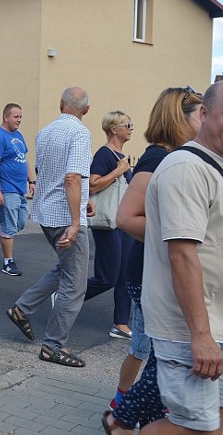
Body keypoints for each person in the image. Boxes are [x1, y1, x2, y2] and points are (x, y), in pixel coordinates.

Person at [140, 80, 223, 434]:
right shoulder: (186, 169)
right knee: (196, 427)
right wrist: (201, 335)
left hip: (220, 323)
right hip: (188, 328)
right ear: (204, 114)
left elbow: (220, 250)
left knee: (217, 413)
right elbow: (182, 256)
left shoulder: (216, 167)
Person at [102, 87, 202, 433]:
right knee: (155, 351)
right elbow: (127, 217)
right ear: (180, 118)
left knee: (156, 352)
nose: (205, 122)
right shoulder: (158, 157)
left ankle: (129, 411)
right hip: (148, 272)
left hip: (159, 270)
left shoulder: (181, 155)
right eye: (199, 115)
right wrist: (182, 234)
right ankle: (123, 412)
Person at [6, 87, 94, 367]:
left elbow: (49, 173)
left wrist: (85, 202)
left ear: (60, 105)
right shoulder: (80, 133)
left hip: (46, 212)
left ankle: (22, 308)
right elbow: (71, 178)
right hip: (67, 218)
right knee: (74, 282)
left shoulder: (45, 131)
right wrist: (77, 219)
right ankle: (53, 346)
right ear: (86, 110)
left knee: (64, 268)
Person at [85, 111, 134, 339]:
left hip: (123, 223)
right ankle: (67, 295)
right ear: (114, 129)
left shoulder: (120, 155)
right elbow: (92, 186)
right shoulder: (105, 155)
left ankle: (121, 323)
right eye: (127, 124)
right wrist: (118, 172)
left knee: (126, 274)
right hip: (107, 223)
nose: (131, 128)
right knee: (108, 276)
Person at [0, 103, 36, 277]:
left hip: (19, 189)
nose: (19, 120)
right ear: (6, 117)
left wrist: (32, 180)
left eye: (21, 117)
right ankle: (8, 262)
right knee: (10, 227)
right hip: (6, 188)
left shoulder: (18, 136)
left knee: (19, 224)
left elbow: (23, 159)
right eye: (16, 117)